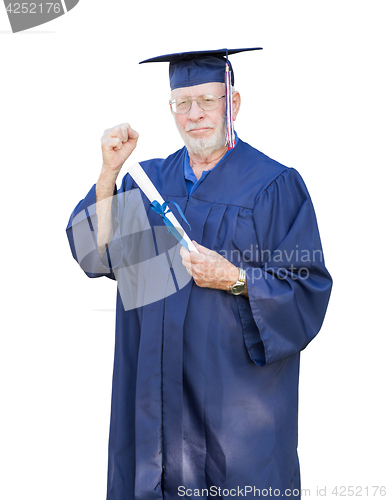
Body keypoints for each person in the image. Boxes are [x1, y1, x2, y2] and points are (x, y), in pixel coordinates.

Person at [66, 48, 332, 500]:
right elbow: (98, 255)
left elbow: (307, 289)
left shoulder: (273, 186)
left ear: (234, 103)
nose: (195, 115)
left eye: (208, 101)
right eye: (181, 103)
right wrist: (108, 175)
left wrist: (235, 278)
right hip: (156, 409)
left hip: (236, 419)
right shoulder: (149, 183)